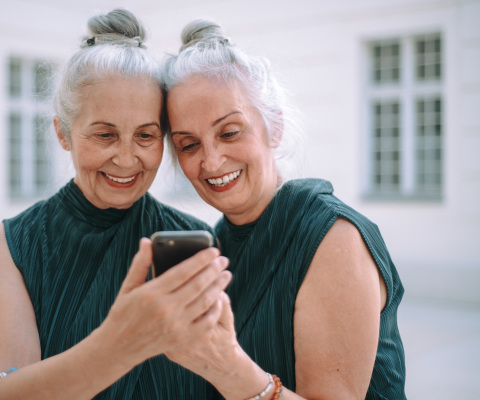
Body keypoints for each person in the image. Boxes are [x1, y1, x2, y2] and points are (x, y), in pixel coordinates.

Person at [0, 10, 232, 400]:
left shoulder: (193, 241)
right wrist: (120, 344)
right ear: (63, 132)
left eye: (145, 135)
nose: (127, 160)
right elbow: (2, 392)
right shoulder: (9, 247)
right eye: (105, 135)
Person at [160, 20, 407, 400]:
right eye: (188, 144)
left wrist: (227, 367)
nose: (210, 161)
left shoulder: (332, 238)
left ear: (273, 126)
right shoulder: (219, 242)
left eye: (229, 132)